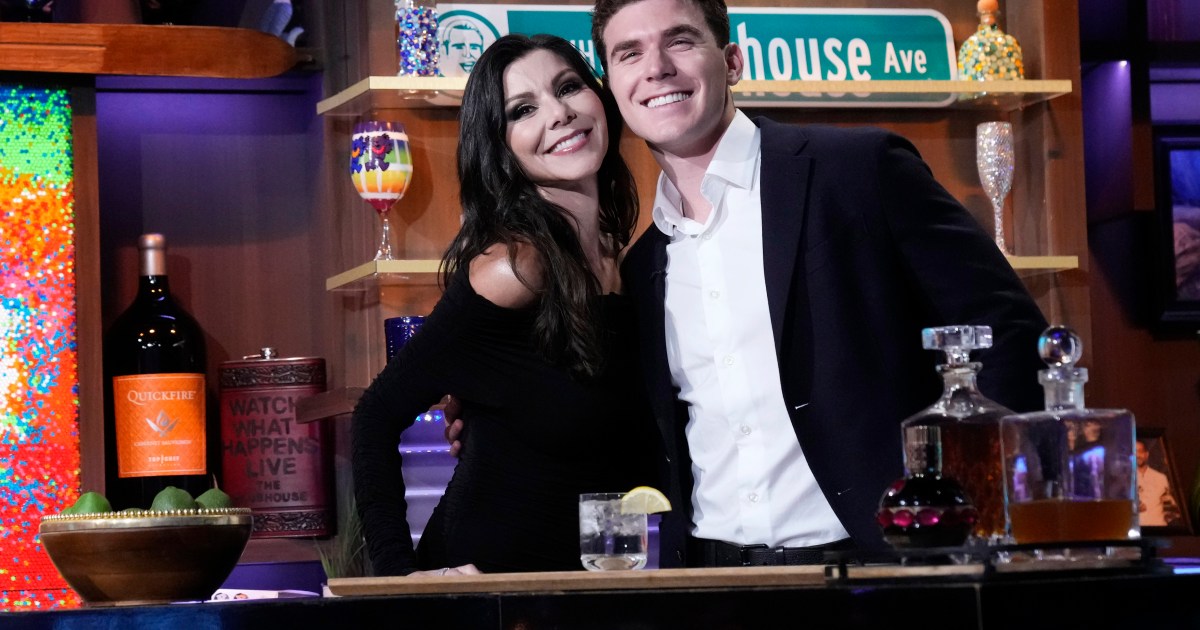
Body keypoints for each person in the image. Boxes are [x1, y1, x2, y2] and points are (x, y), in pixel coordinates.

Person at [449, 0, 1049, 568]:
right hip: (710, 581)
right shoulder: (640, 267)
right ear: (613, 88)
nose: (656, 68)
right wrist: (494, 415)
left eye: (680, 41)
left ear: (732, 61)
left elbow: (1010, 334)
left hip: (879, 567)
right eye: (630, 53)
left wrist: (971, 516)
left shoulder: (858, 170)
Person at [352, 33, 659, 576]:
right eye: (523, 110)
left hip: (592, 589)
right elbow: (375, 415)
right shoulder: (514, 268)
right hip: (487, 589)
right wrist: (400, 579)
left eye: (569, 87)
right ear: (500, 146)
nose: (560, 114)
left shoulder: (625, 262)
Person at [1136, 438, 1178, 527]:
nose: (1137, 455)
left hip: (1159, 527)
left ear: (1146, 454)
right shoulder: (1124, 479)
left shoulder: (1161, 478)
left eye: (1140, 451)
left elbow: (1170, 507)